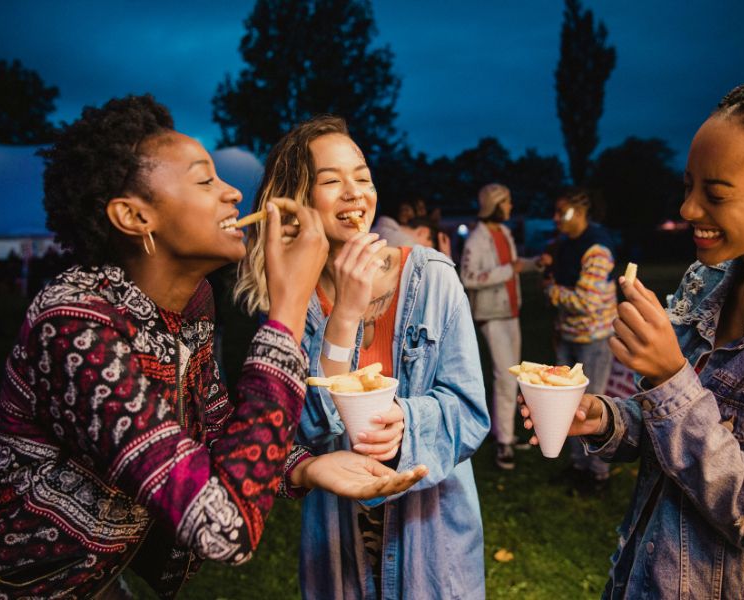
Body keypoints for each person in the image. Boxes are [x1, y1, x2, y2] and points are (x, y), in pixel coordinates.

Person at [0, 96, 425, 599]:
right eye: (205, 180)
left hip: (94, 581)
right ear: (134, 216)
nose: (234, 193)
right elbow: (222, 527)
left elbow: (214, 430)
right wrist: (287, 311)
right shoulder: (73, 325)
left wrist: (305, 466)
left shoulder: (192, 302)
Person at [522, 73, 744, 598]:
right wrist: (604, 418)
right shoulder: (709, 282)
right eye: (687, 187)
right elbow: (671, 432)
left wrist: (669, 375)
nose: (689, 210)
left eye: (715, 193)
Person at [237, 115, 490, 599]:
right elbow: (307, 429)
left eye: (363, 177)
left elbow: (470, 412)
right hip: (337, 545)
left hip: (431, 543)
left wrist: (406, 423)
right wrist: (345, 314)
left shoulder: (432, 278)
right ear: (299, 200)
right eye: (331, 181)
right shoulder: (295, 301)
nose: (355, 193)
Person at [460, 183, 551, 470]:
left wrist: (535, 263)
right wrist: (506, 271)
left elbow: (514, 265)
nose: (511, 207)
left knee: (513, 376)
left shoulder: (505, 233)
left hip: (511, 313)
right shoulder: (477, 238)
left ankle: (504, 433)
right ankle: (504, 444)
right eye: (508, 201)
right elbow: (468, 276)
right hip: (492, 316)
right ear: (495, 204)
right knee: (505, 377)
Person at [544, 187, 617, 493]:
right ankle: (578, 465)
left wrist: (550, 290)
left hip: (594, 339)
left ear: (580, 209)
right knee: (566, 404)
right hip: (568, 335)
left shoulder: (597, 248)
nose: (556, 218)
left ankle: (598, 472)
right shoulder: (566, 244)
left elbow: (586, 300)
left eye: (562, 212)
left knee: (593, 405)